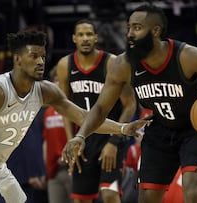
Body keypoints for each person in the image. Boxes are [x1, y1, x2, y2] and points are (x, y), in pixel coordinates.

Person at [0, 30, 148, 203]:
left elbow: (84, 116)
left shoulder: (46, 90)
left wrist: (122, 128)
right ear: (18, 59)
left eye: (43, 56)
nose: (41, 61)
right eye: (34, 56)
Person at [62, 4, 197, 203]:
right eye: (129, 27)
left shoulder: (187, 56)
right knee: (147, 198)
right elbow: (101, 108)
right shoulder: (123, 65)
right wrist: (81, 135)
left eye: (137, 28)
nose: (130, 33)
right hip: (159, 131)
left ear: (155, 31)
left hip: (194, 130)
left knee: (192, 193)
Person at [56, 19, 137, 203]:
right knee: (80, 199)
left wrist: (115, 142)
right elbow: (64, 106)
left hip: (110, 135)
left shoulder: (112, 63)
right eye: (81, 35)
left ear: (96, 38)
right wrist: (72, 140)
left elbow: (130, 104)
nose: (85, 38)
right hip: (84, 138)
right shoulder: (64, 65)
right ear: (74, 38)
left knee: (109, 194)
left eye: (89, 34)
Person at [42, 67, 72, 203]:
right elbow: (46, 141)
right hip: (53, 170)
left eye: (61, 80)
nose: (57, 83)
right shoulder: (48, 112)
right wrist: (45, 166)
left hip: (73, 168)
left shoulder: (74, 110)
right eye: (55, 80)